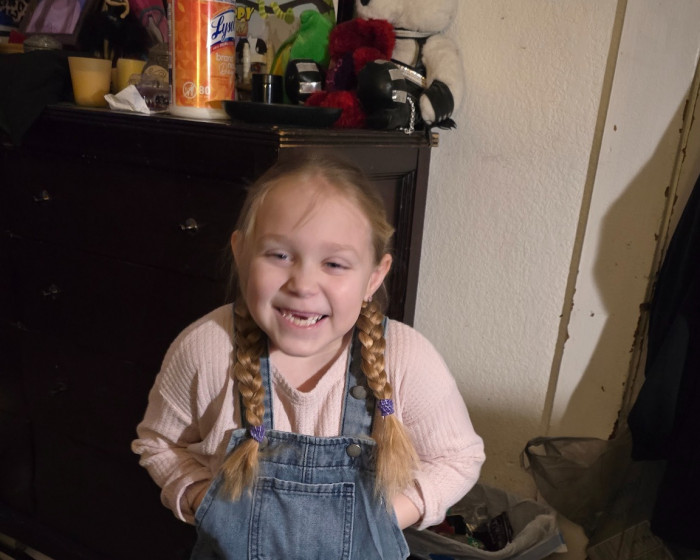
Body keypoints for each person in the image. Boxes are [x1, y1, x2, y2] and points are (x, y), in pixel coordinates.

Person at [132, 152, 485, 559]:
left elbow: (458, 458)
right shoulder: (206, 349)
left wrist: (385, 517)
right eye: (280, 255)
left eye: (334, 263)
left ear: (374, 276)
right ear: (241, 253)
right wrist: (202, 500)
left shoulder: (405, 359)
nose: (302, 284)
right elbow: (159, 444)